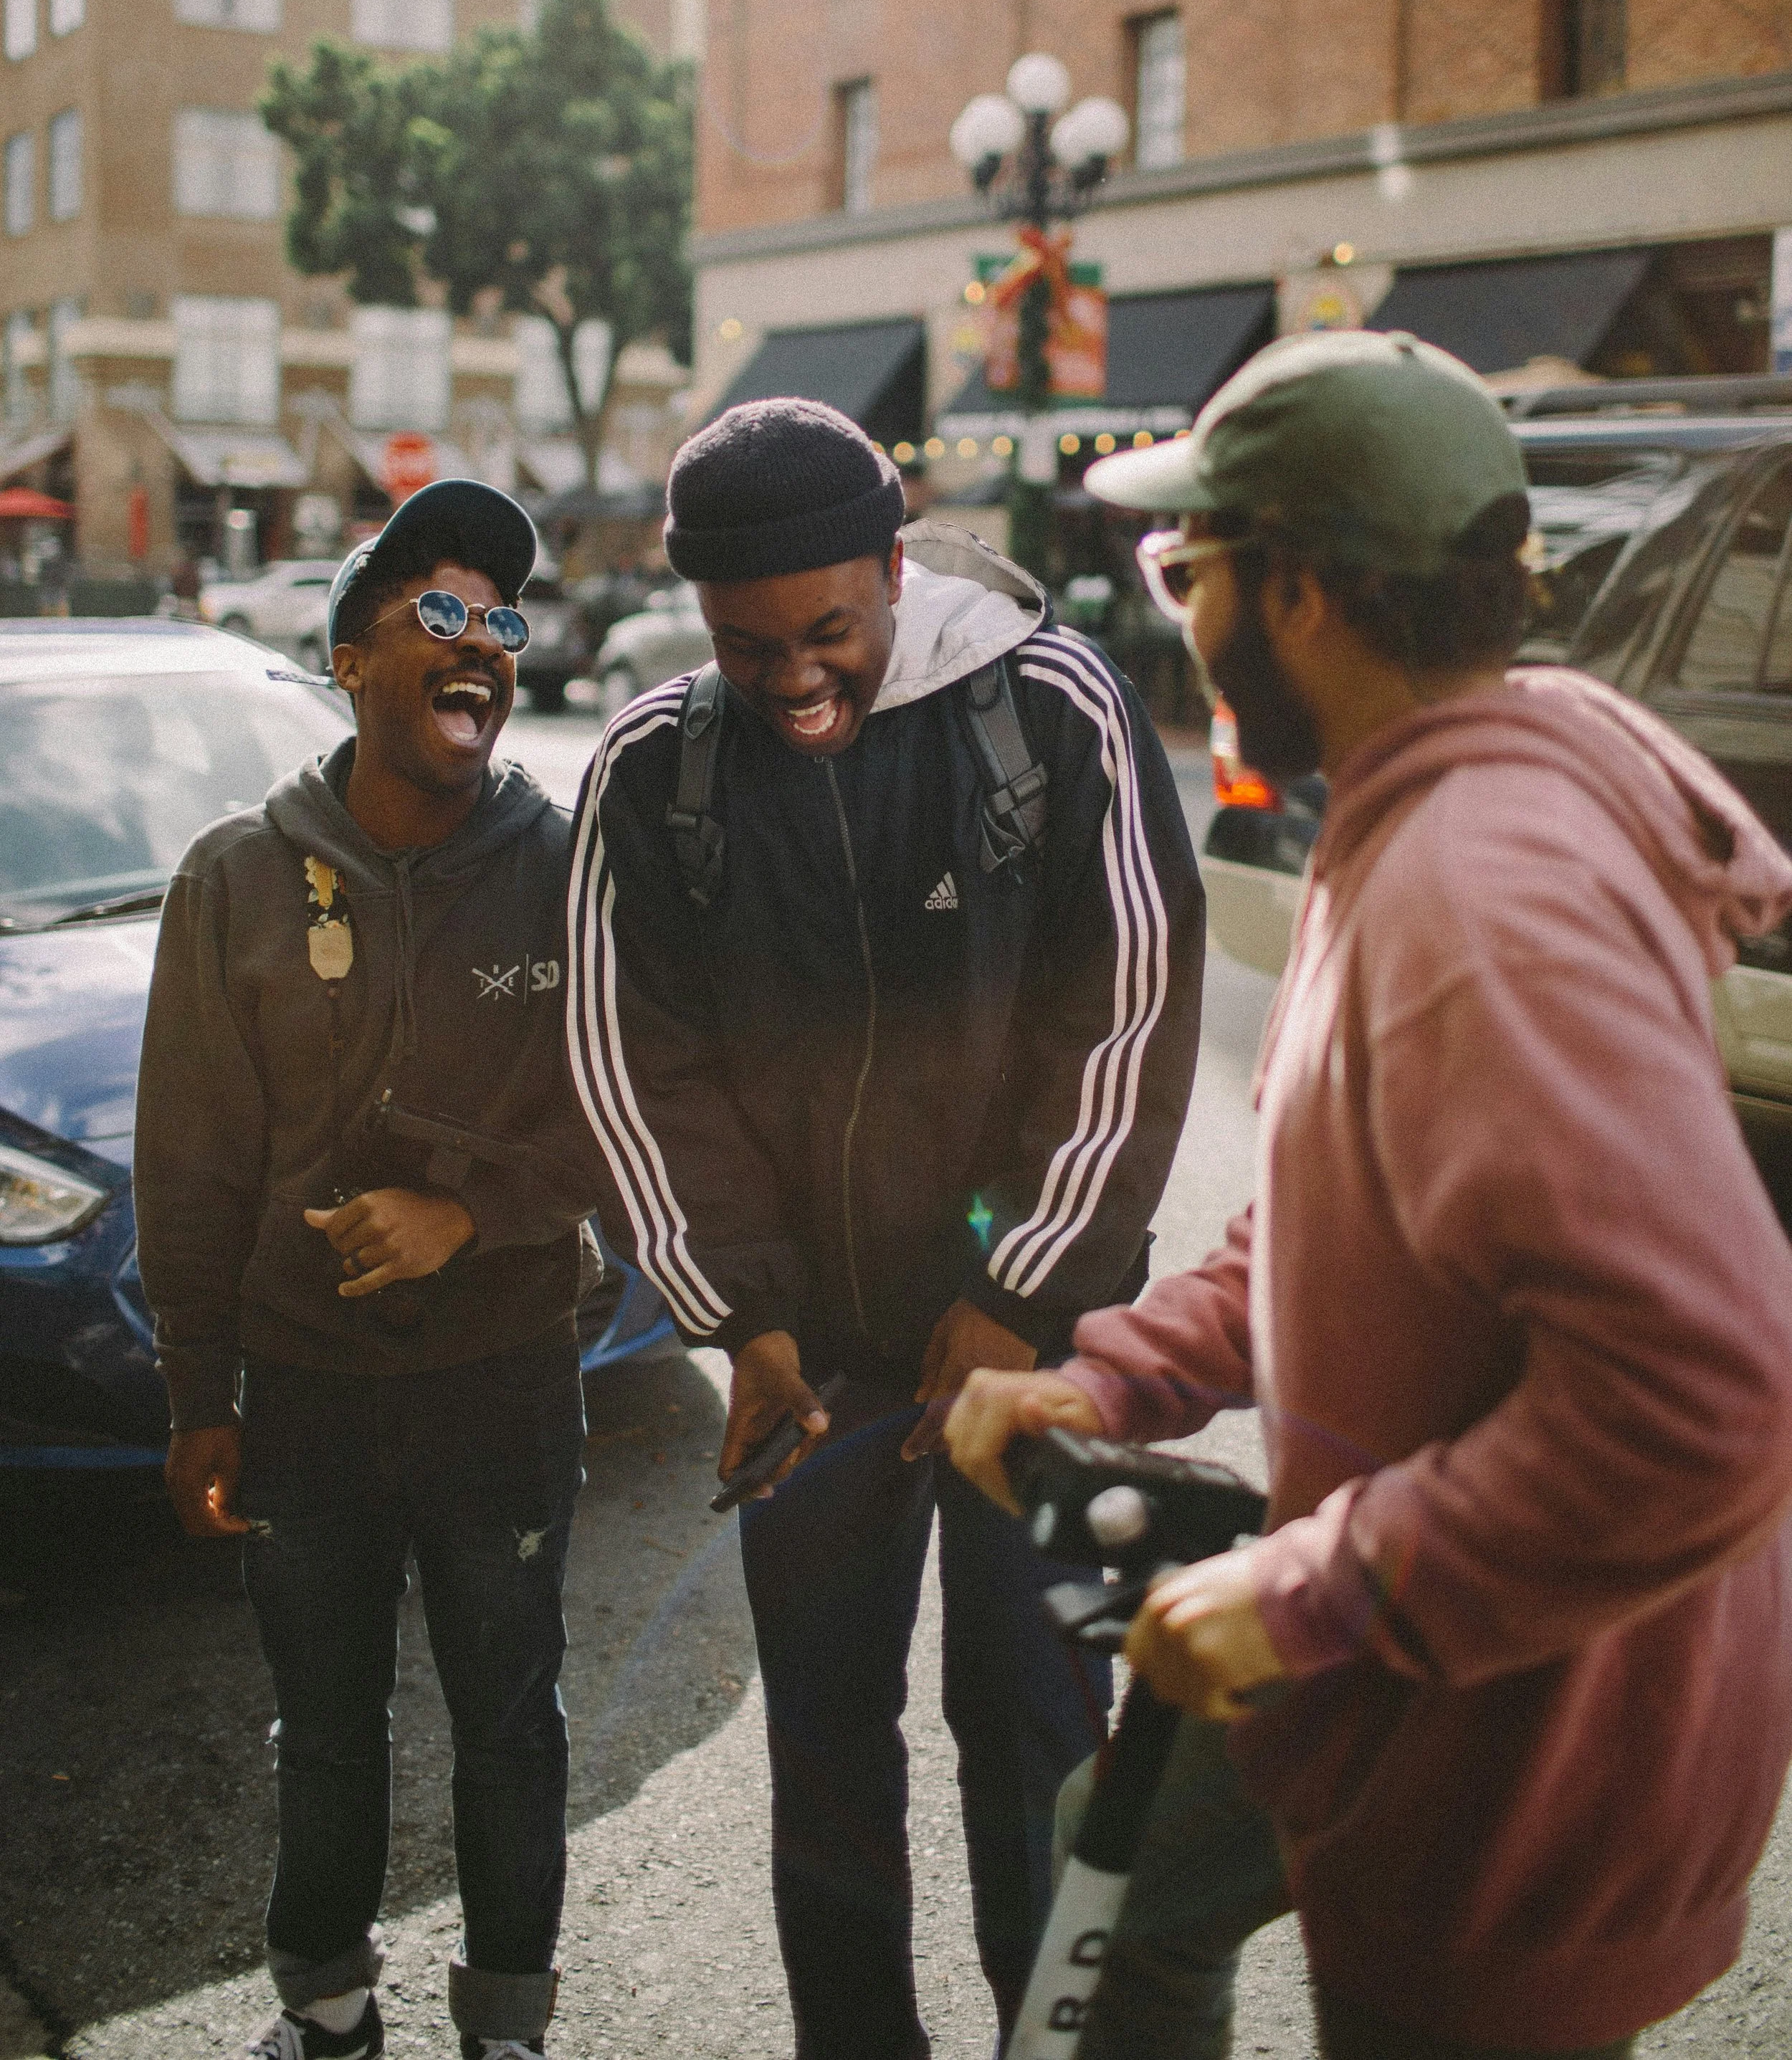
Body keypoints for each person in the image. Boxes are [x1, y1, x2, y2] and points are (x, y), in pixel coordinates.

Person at [948, 328, 1792, 2060]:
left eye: (1189, 566)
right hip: (1409, 1657)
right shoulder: (1414, 817)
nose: (1175, 607)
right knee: (1124, 1881)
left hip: (1522, 1723)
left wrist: (1312, 1590)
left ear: (1305, 597)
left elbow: (1709, 1392)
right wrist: (1121, 1372)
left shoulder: (1475, 901)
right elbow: (1352, 1215)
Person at [567, 396, 1204, 2058]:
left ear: (897, 562)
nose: (791, 679)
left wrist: (1017, 1294)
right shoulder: (654, 770)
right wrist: (743, 1319)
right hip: (814, 1371)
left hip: (1026, 1360)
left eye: (827, 629)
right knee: (828, 1761)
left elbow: (1126, 1020)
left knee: (1039, 1753)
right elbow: (633, 1065)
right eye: (742, 641)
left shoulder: (1053, 711)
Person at [135, 480, 604, 2060]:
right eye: (440, 619)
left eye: (502, 623)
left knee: (508, 1728)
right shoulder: (236, 880)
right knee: (325, 1733)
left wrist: (473, 1217)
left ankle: (509, 2028)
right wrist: (201, 1396)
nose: (481, 650)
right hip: (309, 1394)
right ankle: (326, 2013)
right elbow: (189, 1167)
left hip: (504, 1384)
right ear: (350, 661)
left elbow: (641, 1120)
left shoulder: (567, 866)